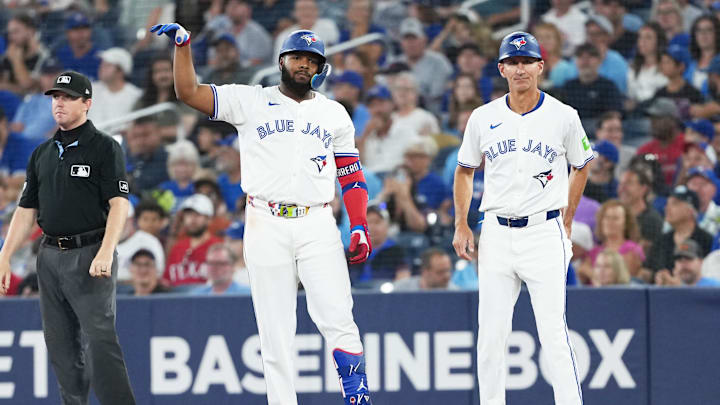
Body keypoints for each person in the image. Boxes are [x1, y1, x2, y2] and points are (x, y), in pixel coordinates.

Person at [151, 24, 374, 404]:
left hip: (316, 220)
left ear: (320, 67)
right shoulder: (251, 100)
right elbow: (188, 92)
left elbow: (352, 177)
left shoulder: (335, 113)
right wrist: (184, 47)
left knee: (337, 315)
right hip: (264, 220)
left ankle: (357, 397)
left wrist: (360, 227)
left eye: (312, 59)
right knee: (275, 330)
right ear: (281, 61)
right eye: (298, 57)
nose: (304, 64)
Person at [452, 31, 592, 405]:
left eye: (527, 61)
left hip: (544, 231)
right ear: (501, 69)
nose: (520, 68)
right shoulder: (483, 117)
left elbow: (582, 165)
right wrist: (461, 223)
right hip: (496, 233)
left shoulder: (564, 115)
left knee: (553, 333)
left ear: (540, 67)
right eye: (512, 62)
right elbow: (465, 170)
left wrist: (568, 215)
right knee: (491, 335)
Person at [0, 71, 135, 404]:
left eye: (68, 97)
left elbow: (119, 203)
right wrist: (4, 256)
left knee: (100, 340)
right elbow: (26, 210)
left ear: (87, 103)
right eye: (55, 97)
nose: (59, 103)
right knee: (60, 346)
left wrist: (106, 250)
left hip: (89, 252)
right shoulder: (42, 153)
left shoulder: (104, 147)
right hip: (48, 255)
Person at [647, 185, 714, 273]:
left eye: (675, 204)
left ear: (691, 210)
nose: (667, 208)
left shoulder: (707, 241)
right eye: (667, 204)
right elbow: (648, 270)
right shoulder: (661, 241)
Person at [163, 193, 222, 287]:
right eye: (188, 215)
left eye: (197, 215)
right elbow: (167, 280)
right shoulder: (177, 247)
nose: (192, 220)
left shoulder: (218, 247)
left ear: (208, 219)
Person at [560, 43, 623, 119]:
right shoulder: (568, 87)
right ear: (575, 62)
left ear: (599, 61)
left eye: (590, 57)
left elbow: (615, 114)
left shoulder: (608, 86)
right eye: (580, 57)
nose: (585, 61)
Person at [88, 47, 141, 124]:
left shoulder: (135, 95)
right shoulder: (89, 90)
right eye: (102, 65)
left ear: (120, 71)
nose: (101, 68)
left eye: (107, 65)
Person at [655, 239, 720, 286]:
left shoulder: (714, 286)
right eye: (679, 260)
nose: (683, 264)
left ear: (701, 262)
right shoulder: (670, 286)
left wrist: (679, 289)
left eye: (688, 258)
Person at [392, 247, 458, 291]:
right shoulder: (402, 289)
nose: (447, 276)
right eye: (440, 272)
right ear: (425, 272)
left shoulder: (455, 292)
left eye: (448, 270)